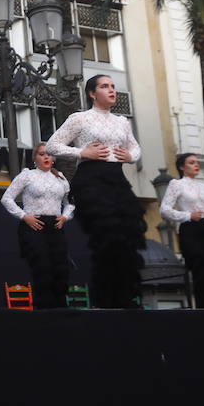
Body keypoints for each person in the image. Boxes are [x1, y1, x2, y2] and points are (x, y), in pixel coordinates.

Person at [46, 74, 146, 308]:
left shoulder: (122, 122)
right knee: (106, 236)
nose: (111, 90)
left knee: (127, 236)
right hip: (91, 179)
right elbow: (52, 145)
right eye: (104, 86)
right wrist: (82, 153)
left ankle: (125, 297)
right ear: (92, 93)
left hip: (116, 178)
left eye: (112, 86)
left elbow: (135, 146)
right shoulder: (80, 118)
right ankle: (105, 299)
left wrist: (131, 156)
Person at [0, 142, 74, 309]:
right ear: (35, 158)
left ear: (53, 158)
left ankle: (60, 308)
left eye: (48, 154)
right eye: (41, 154)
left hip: (55, 225)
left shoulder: (60, 178)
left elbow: (70, 203)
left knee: (61, 268)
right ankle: (44, 310)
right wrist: (24, 216)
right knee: (43, 268)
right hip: (34, 225)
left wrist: (65, 217)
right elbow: (7, 198)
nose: (46, 157)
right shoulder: (27, 175)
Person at [160, 152, 204, 308]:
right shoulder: (176, 184)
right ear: (182, 167)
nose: (196, 165)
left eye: (197, 162)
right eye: (191, 162)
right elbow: (164, 209)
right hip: (189, 229)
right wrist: (188, 215)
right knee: (201, 268)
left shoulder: (202, 186)